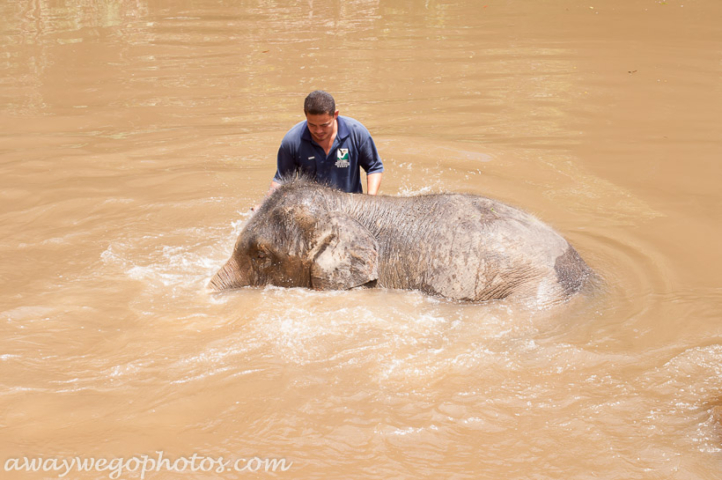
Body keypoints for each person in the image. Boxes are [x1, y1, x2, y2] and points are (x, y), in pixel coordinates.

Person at [268, 90, 384, 195]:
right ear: (305, 114)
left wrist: (371, 200)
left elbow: (374, 167)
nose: (318, 131)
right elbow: (282, 181)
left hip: (349, 208)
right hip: (311, 209)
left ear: (335, 115)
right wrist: (264, 205)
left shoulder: (356, 133)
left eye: (324, 125)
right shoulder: (292, 140)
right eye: (312, 125)